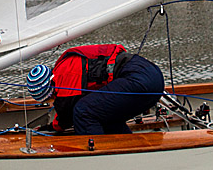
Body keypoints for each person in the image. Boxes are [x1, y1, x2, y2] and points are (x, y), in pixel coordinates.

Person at [28, 44, 164, 135]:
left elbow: (67, 112)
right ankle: (127, 149)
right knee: (103, 114)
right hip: (150, 75)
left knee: (83, 111)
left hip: (138, 78)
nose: (52, 102)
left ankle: (99, 159)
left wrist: (50, 128)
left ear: (49, 89)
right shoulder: (65, 68)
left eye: (49, 99)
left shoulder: (64, 73)